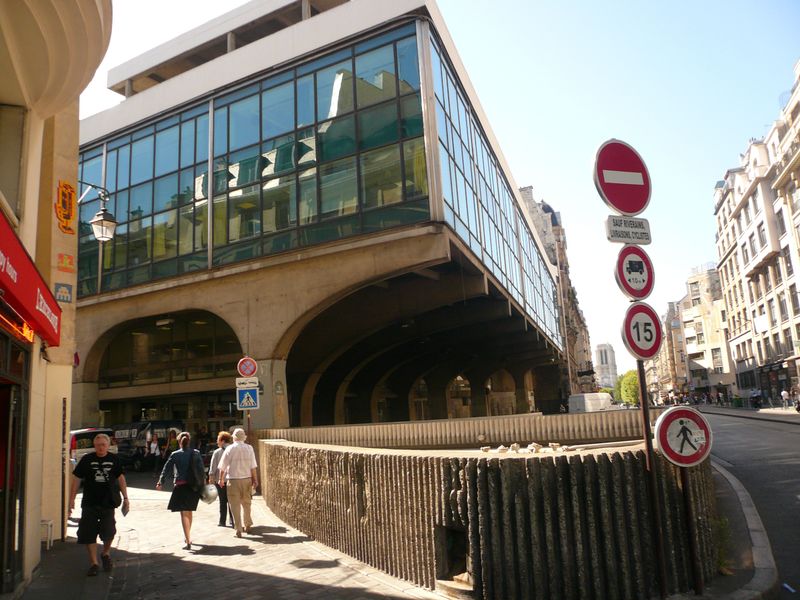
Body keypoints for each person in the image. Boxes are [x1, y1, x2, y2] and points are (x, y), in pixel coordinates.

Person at [69, 433, 129, 576]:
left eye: (103, 445)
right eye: (98, 445)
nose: (100, 447)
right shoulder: (87, 459)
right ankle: (94, 563)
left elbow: (121, 478)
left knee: (109, 531)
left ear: (108, 446)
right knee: (88, 533)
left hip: (108, 502)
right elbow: (76, 479)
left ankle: (106, 553)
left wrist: (126, 497)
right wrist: (71, 498)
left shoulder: (114, 459)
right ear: (94, 446)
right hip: (89, 501)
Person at [156, 431, 204, 549]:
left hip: (181, 485)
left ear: (179, 441)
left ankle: (188, 539)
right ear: (189, 440)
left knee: (184, 513)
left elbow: (166, 469)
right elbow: (201, 470)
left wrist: (160, 482)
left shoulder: (175, 454)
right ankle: (188, 536)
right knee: (189, 510)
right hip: (193, 486)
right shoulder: (196, 453)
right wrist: (204, 484)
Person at [218, 428, 258, 538]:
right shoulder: (249, 448)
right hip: (247, 479)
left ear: (234, 438)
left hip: (233, 480)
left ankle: (238, 529)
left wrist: (221, 479)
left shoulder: (229, 449)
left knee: (234, 506)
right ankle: (248, 525)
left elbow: (223, 467)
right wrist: (255, 480)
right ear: (243, 437)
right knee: (247, 504)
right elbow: (253, 467)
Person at [208, 431, 234, 527]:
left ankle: (222, 521)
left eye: (218, 440)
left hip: (221, 481)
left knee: (223, 501)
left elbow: (213, 466)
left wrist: (211, 478)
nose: (217, 442)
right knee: (232, 501)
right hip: (232, 480)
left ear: (222, 441)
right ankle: (233, 521)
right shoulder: (233, 450)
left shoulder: (217, 452)